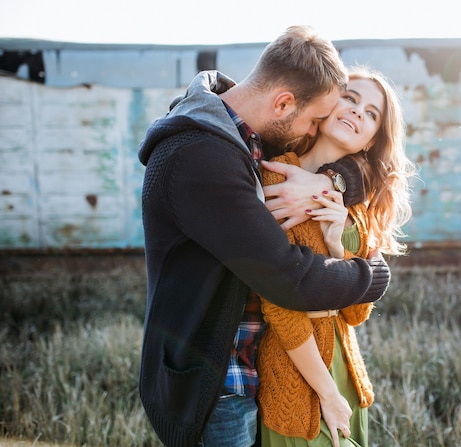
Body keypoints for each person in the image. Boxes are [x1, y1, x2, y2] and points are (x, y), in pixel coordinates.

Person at [136, 26, 391, 447]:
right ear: (283, 103)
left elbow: (363, 163)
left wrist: (334, 183)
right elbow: (286, 279)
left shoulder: (245, 135)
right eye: (314, 119)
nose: (314, 129)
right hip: (216, 385)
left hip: (256, 372)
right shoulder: (202, 158)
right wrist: (373, 277)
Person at [257, 67, 415, 447]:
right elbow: (278, 305)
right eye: (351, 98)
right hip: (297, 376)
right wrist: (327, 393)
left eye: (372, 114)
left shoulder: (356, 207)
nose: (359, 112)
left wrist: (335, 246)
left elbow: (356, 313)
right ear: (328, 103)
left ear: (371, 139)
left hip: (347, 372)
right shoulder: (277, 178)